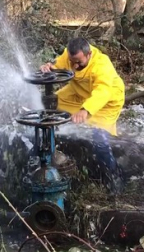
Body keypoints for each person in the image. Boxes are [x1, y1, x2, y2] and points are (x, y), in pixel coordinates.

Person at [40, 38, 125, 192]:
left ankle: (114, 178)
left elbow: (102, 92)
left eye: (79, 62)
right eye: (72, 61)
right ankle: (54, 149)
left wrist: (85, 110)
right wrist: (50, 67)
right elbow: (59, 65)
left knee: (99, 138)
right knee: (52, 103)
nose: (75, 66)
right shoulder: (70, 55)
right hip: (79, 92)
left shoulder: (101, 65)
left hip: (106, 102)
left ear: (89, 54)